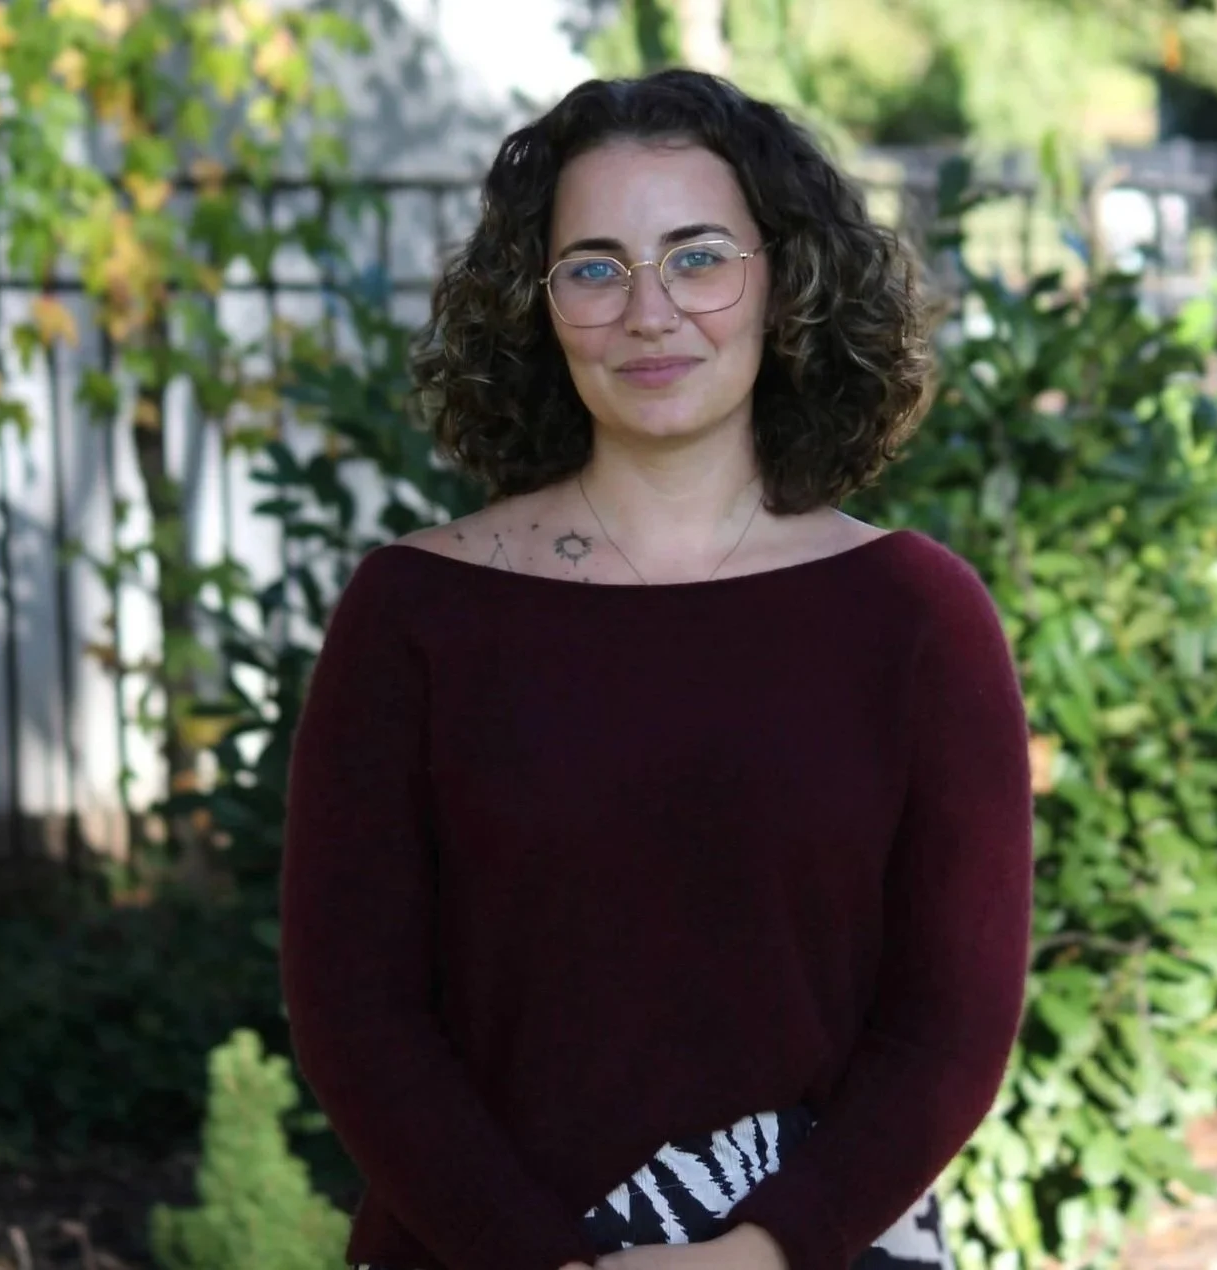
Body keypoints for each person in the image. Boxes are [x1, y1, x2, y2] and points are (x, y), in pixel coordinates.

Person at [278, 68, 1034, 1270]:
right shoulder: (416, 615)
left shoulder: (913, 616)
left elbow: (948, 1025)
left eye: (697, 257)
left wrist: (758, 1252)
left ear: (782, 278)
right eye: (593, 267)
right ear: (534, 307)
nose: (648, 311)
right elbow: (354, 1014)